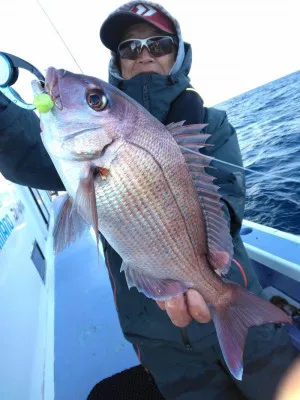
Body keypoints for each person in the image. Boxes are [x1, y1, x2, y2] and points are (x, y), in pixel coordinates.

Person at [0, 2, 298, 399]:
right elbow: (21, 150)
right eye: (130, 48)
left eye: (158, 44)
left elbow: (225, 200)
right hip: (159, 342)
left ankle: (233, 310)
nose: (144, 54)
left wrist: (205, 270)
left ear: (178, 54)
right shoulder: (69, 154)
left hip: (234, 292)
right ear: (117, 62)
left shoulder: (211, 124)